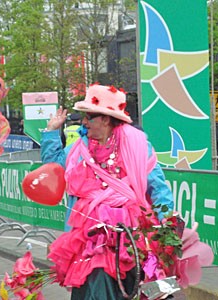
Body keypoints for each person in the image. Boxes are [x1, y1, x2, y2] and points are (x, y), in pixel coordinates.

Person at [41, 84, 174, 299]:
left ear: (105, 119)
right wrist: (51, 132)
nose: (84, 122)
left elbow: (158, 187)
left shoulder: (136, 145)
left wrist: (167, 222)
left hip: (131, 235)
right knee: (94, 281)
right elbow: (53, 168)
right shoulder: (80, 148)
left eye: (89, 117)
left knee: (134, 286)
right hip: (89, 239)